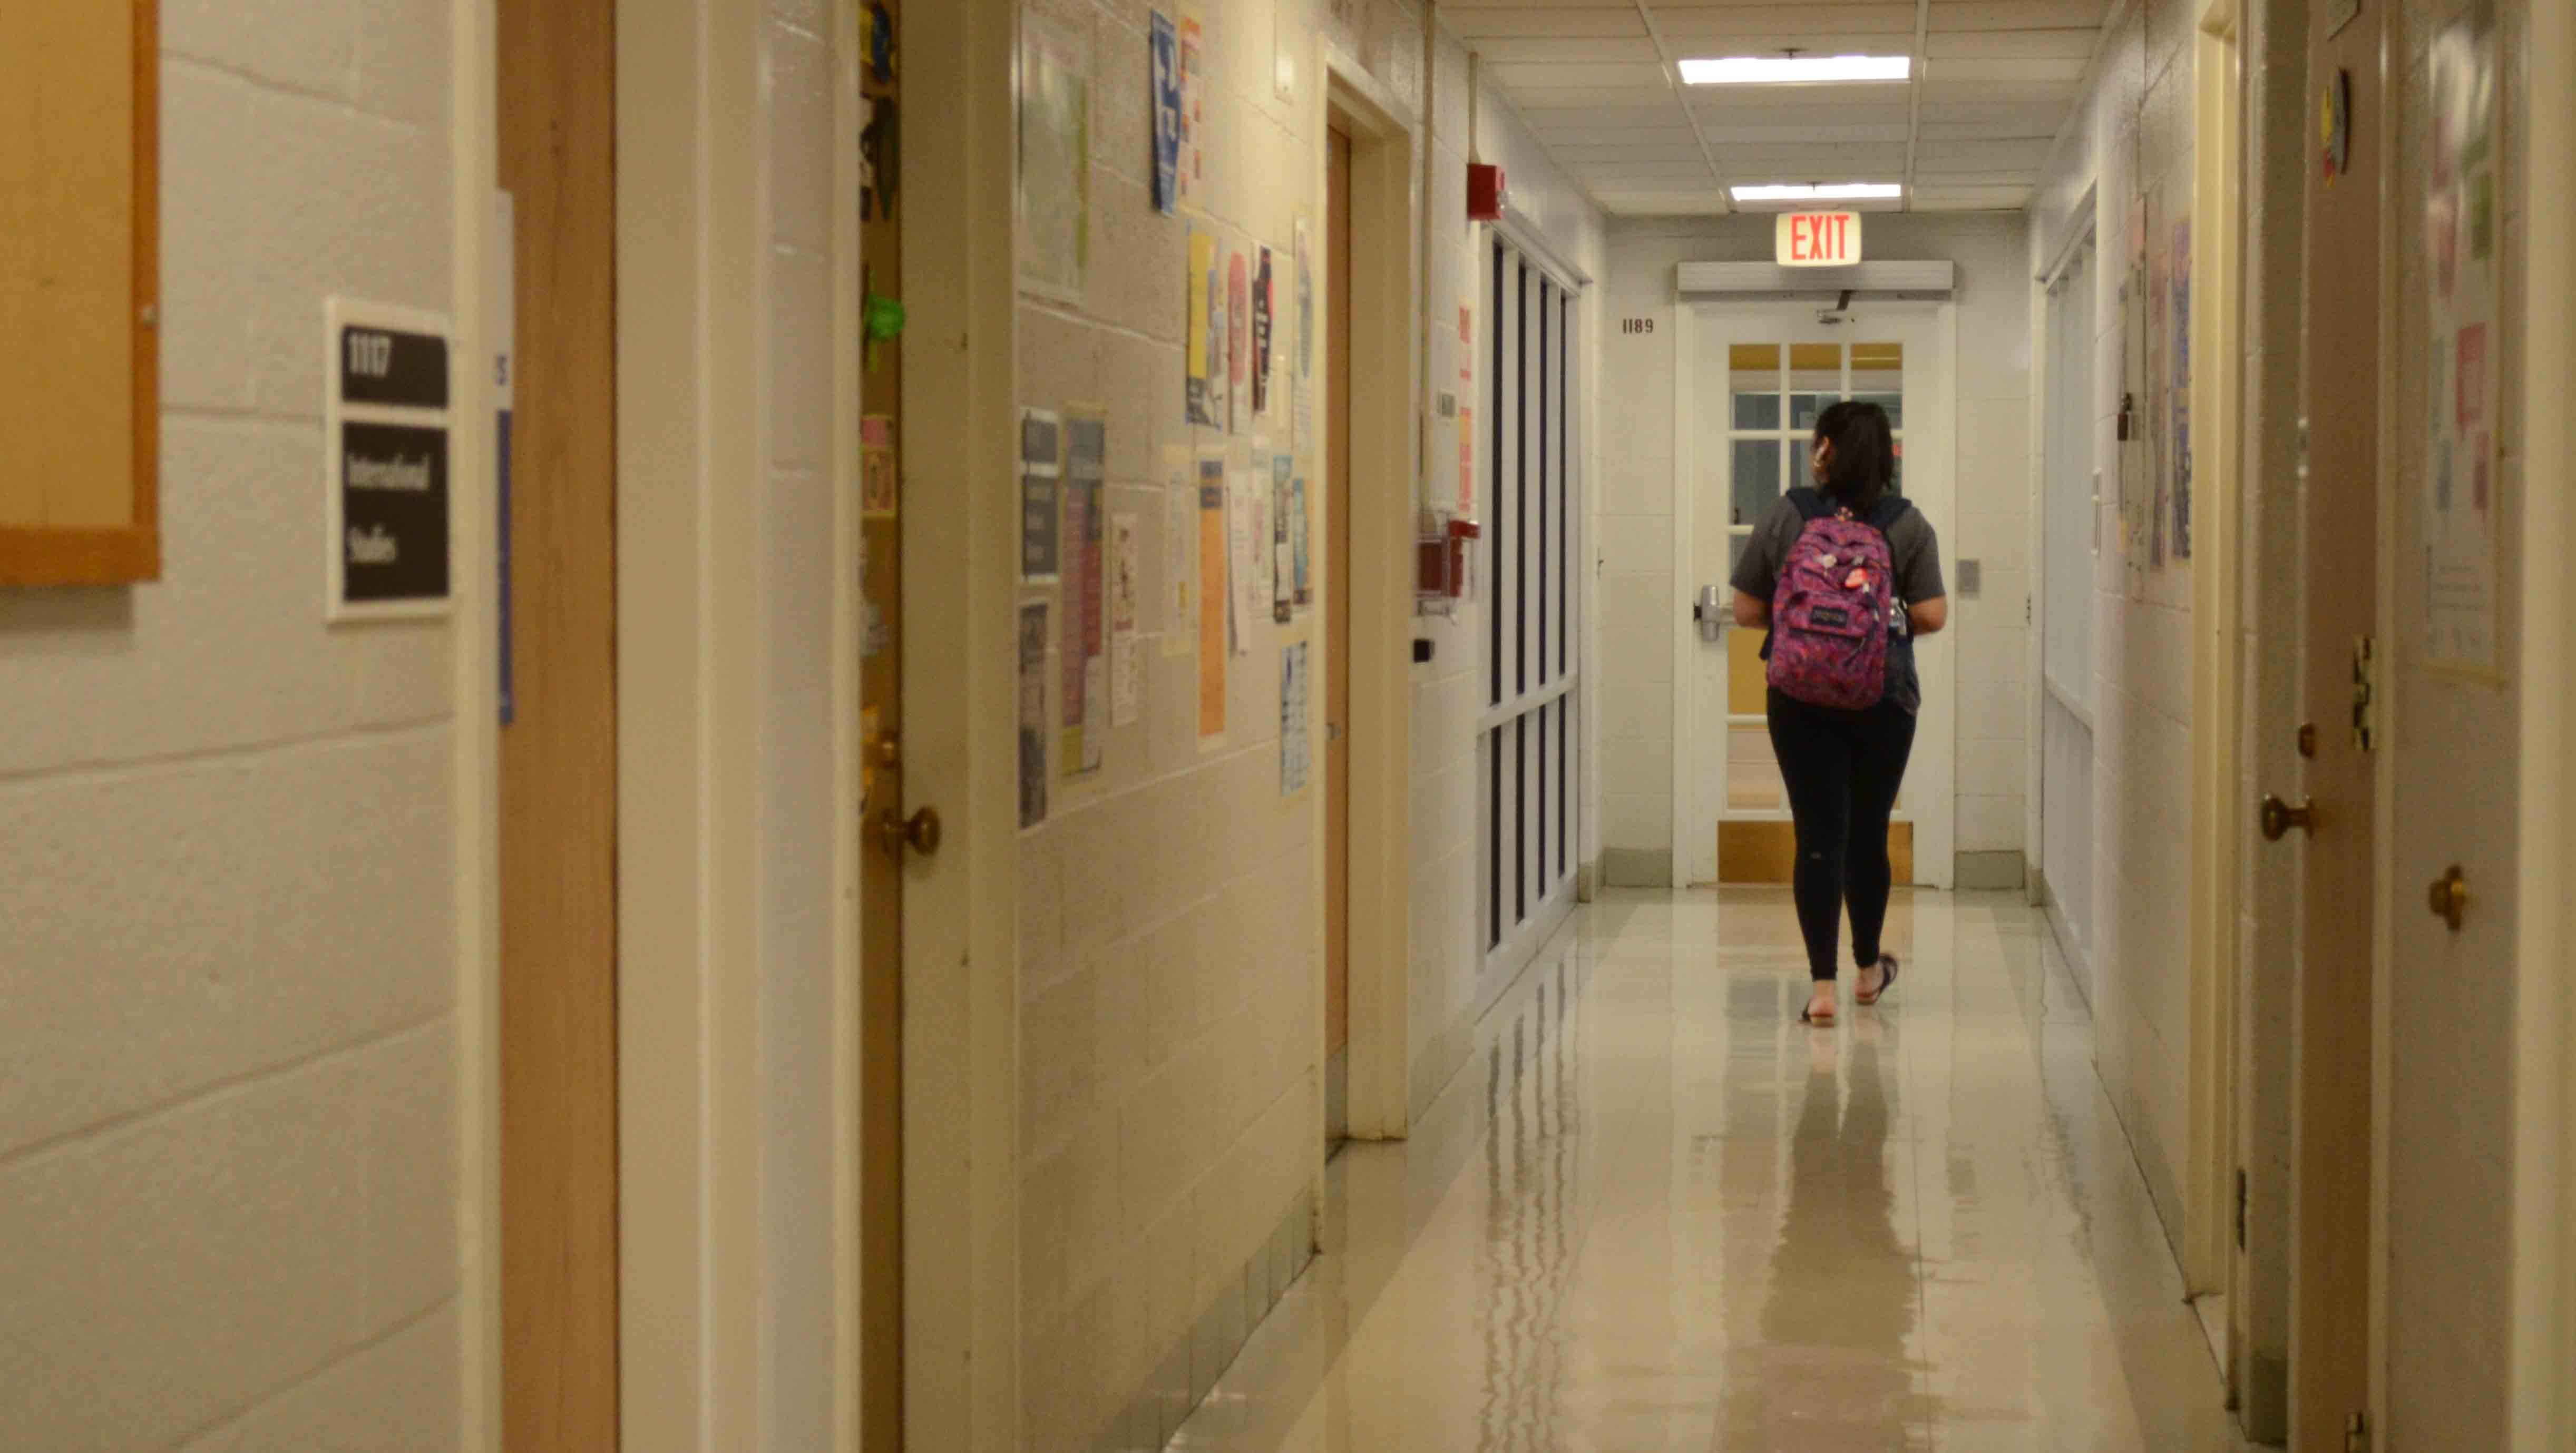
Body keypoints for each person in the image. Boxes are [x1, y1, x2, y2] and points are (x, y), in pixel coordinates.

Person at [1728, 400, 1946, 1026]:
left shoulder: (1787, 514)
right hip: (1883, 696)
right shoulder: (1906, 524)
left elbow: (1744, 610)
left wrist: (1805, 626)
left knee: (1817, 835)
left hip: (1798, 699)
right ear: (1885, 456)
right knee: (1868, 832)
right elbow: (1932, 615)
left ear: (1823, 449)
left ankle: (1820, 990)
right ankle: (1868, 973)